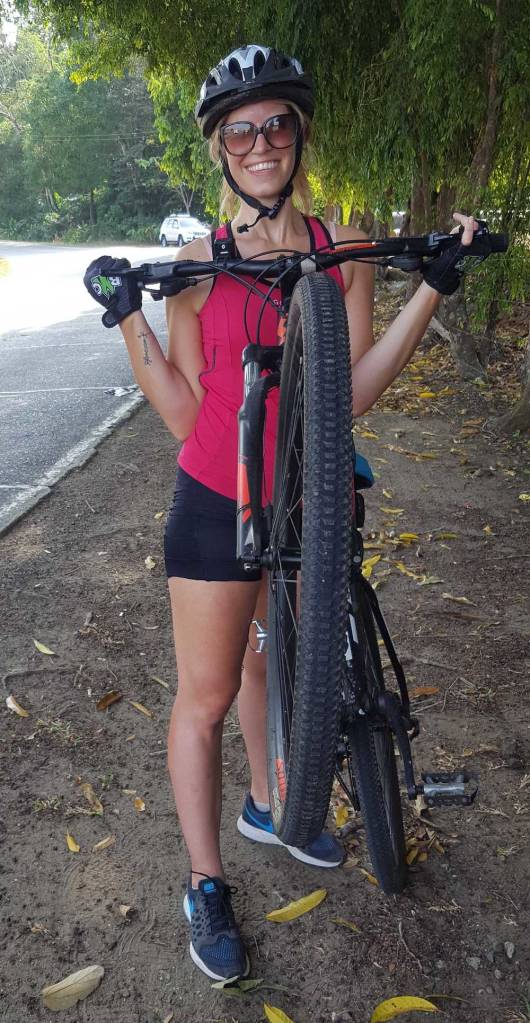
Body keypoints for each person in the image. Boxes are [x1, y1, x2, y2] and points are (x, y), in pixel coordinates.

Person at [84, 44, 480, 983]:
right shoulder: (195, 261)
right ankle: (206, 880)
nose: (260, 142)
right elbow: (183, 407)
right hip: (219, 495)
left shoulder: (338, 248)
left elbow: (354, 390)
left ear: (299, 137)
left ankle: (272, 801)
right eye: (240, 130)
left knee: (279, 658)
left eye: (276, 125)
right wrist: (128, 318)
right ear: (221, 151)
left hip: (314, 499)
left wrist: (434, 284)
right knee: (210, 693)